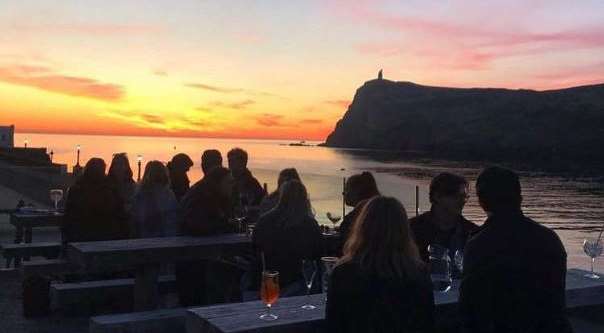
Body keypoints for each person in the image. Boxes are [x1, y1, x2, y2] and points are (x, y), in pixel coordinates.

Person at [459, 166, 571, 333]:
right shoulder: (550, 239)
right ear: (520, 198)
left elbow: (470, 310)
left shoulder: (479, 245)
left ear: (482, 202)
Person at [327, 196, 434, 333]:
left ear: (362, 227)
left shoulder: (343, 273)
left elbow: (334, 325)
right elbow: (427, 323)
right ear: (404, 231)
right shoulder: (418, 273)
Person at [175, 167, 239, 306]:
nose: (232, 186)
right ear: (218, 183)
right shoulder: (202, 196)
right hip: (192, 257)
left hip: (203, 257)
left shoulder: (212, 194)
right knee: (196, 300)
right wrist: (225, 225)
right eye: (229, 182)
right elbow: (197, 226)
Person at [249, 180, 323, 297]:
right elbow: (319, 252)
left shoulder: (264, 220)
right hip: (299, 282)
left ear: (281, 197)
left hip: (271, 280)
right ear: (304, 198)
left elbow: (255, 248)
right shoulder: (309, 225)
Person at [410, 172, 478, 264]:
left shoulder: (473, 233)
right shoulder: (411, 230)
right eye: (456, 196)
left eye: (465, 197)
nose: (462, 201)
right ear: (437, 196)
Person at [63, 158, 129, 243]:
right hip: (107, 239)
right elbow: (121, 216)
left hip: (79, 238)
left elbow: (68, 217)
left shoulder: (76, 189)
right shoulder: (110, 190)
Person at [130, 161, 180, 238]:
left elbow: (136, 219)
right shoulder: (168, 194)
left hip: (145, 238)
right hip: (166, 238)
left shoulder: (139, 195)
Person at [338, 172, 380, 254]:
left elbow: (345, 249)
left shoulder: (351, 220)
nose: (343, 193)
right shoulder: (382, 214)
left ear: (356, 192)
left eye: (346, 190)